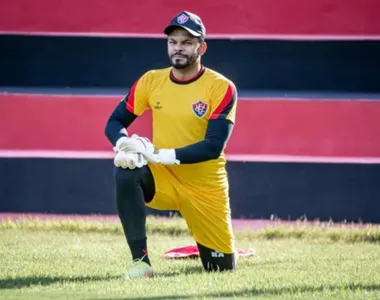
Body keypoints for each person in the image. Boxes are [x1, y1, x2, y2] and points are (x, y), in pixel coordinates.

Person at [104, 10, 238, 279]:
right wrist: (123, 144)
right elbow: (115, 121)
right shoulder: (152, 80)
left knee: (220, 268)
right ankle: (141, 263)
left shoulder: (221, 87)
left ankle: (217, 249)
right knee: (126, 169)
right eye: (173, 41)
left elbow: (213, 146)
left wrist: (157, 153)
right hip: (162, 179)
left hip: (205, 187)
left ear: (202, 47)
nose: (179, 48)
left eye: (187, 42)